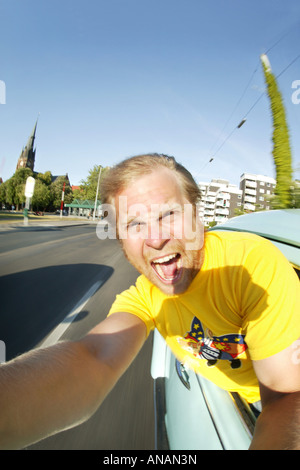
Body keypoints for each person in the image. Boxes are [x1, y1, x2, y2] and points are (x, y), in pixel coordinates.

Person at [0, 154, 299, 450]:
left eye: (168, 214)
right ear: (121, 242)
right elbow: (94, 357)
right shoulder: (145, 296)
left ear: (198, 216)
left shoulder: (249, 266)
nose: (155, 239)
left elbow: (286, 399)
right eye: (134, 224)